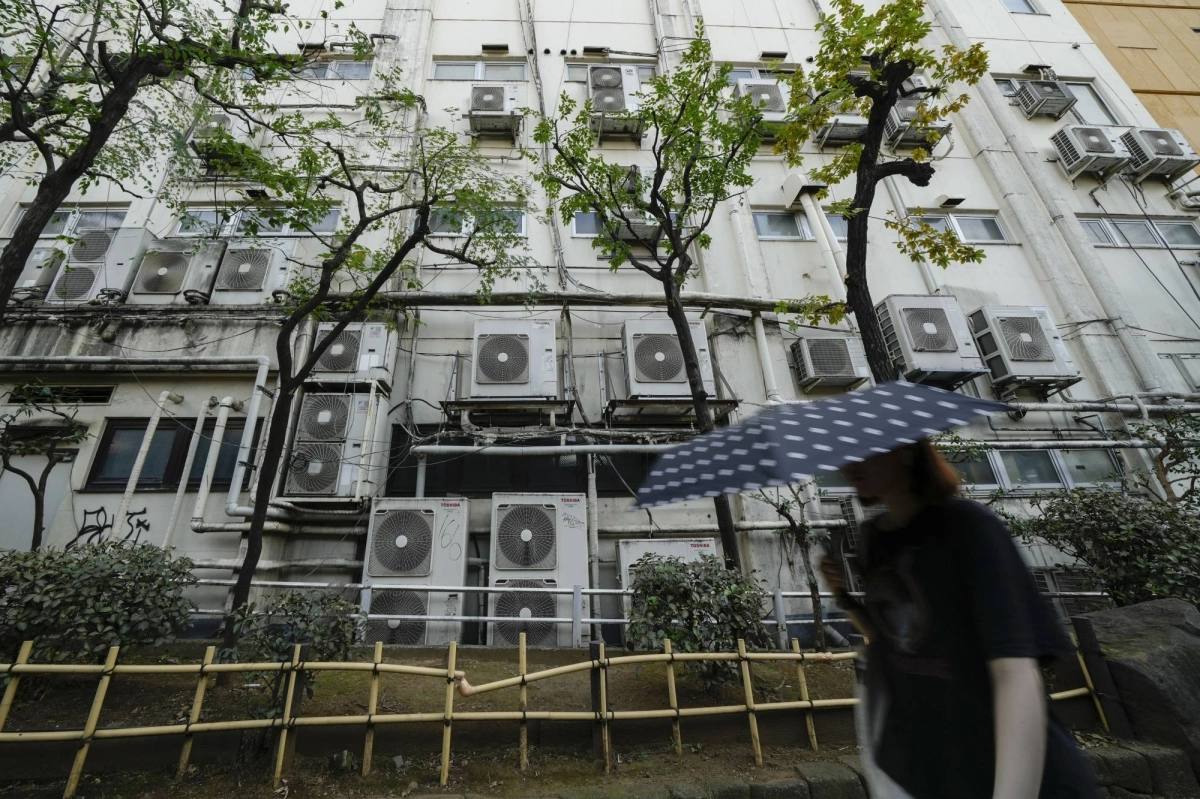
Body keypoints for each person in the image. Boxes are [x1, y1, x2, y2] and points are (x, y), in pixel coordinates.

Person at [820, 439, 1099, 799]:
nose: (850, 462)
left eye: (865, 447)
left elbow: (1015, 671)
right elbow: (898, 641)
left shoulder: (969, 527)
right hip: (929, 769)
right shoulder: (874, 540)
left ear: (906, 450)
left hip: (1005, 767)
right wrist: (843, 597)